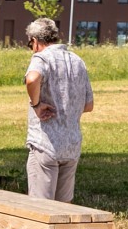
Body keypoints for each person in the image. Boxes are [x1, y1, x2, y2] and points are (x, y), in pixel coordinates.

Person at [24, 16, 93, 203]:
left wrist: (36, 105)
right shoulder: (77, 60)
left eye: (30, 44)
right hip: (71, 145)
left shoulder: (41, 58)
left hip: (45, 142)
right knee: (64, 209)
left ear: (35, 41)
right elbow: (89, 105)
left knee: (41, 207)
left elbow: (32, 79)